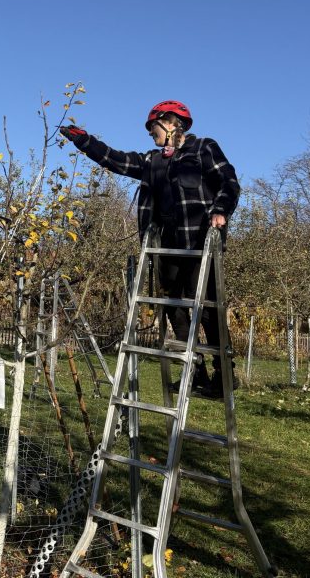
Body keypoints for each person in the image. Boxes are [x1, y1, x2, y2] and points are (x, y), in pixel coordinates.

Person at [60, 100, 240, 397]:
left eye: (152, 127)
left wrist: (220, 210)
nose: (150, 134)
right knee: (172, 308)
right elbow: (115, 160)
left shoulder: (203, 149)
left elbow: (229, 182)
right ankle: (194, 371)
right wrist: (84, 141)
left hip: (200, 246)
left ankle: (224, 377)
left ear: (170, 123)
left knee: (207, 311)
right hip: (166, 249)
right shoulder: (151, 161)